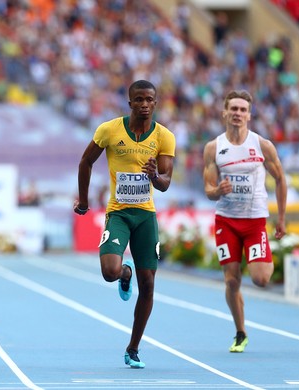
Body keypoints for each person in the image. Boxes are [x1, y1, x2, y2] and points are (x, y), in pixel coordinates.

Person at [74, 80, 176, 368]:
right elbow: (85, 162)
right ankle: (124, 272)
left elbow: (166, 183)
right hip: (118, 213)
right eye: (139, 99)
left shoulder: (165, 137)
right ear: (130, 103)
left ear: (155, 104)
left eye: (150, 100)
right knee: (109, 272)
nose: (145, 104)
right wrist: (83, 201)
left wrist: (155, 176)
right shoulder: (109, 130)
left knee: (149, 284)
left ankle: (133, 348)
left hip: (146, 216)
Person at [203, 90, 287, 353]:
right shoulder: (214, 148)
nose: (238, 114)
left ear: (249, 115)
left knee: (261, 279)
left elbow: (280, 179)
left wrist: (281, 219)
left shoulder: (262, 145)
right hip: (226, 221)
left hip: (254, 222)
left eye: (243, 110)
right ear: (225, 113)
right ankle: (240, 332)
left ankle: (259, 257)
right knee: (231, 281)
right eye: (234, 109)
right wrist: (218, 191)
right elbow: (208, 188)